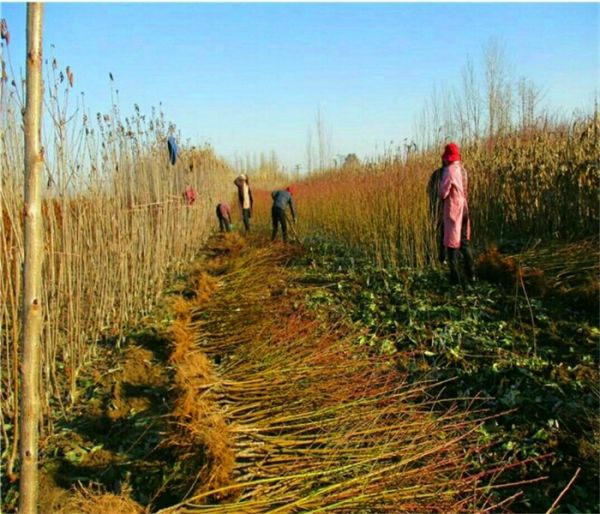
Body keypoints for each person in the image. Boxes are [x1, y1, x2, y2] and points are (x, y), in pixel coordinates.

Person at [438, 142, 475, 284]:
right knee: (464, 243)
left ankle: (455, 280)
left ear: (447, 157)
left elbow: (443, 193)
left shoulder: (449, 171)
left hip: (454, 210)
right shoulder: (463, 170)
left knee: (452, 245)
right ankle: (472, 275)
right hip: (464, 208)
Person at [427, 162, 445, 264]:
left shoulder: (435, 173)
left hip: (434, 207)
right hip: (443, 208)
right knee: (443, 233)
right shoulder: (448, 174)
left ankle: (430, 256)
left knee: (433, 233)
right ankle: (441, 258)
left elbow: (428, 190)